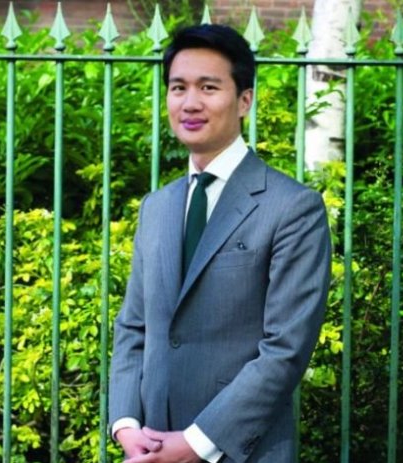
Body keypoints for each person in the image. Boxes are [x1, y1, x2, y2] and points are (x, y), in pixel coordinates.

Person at [108, 23, 332, 463]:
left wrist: (196, 443)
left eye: (208, 87)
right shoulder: (157, 207)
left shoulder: (292, 207)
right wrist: (126, 424)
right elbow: (134, 327)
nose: (190, 103)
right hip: (149, 446)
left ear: (245, 99)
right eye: (178, 87)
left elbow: (286, 348)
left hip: (242, 451)